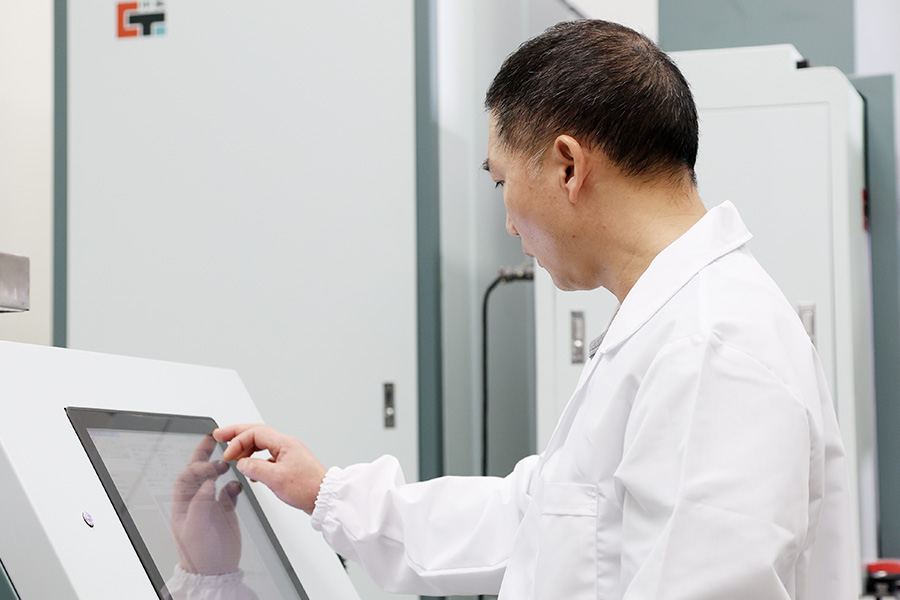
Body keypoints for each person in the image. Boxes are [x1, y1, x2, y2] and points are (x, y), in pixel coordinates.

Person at [215, 19, 856, 599]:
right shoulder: (671, 326)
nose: (508, 223)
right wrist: (328, 494)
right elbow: (540, 516)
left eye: (502, 181)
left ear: (568, 166)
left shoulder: (711, 346)